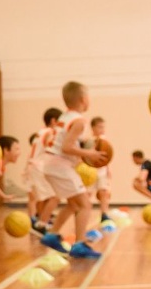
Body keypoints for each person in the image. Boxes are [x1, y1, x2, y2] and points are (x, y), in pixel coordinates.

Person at [40, 82, 109, 259]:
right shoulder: (79, 120)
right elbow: (66, 147)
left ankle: (52, 235)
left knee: (73, 204)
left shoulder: (65, 117)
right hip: (59, 164)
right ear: (83, 99)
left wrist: (84, 146)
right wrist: (90, 153)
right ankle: (79, 245)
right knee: (85, 204)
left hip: (51, 164)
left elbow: (67, 143)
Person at [27, 108, 63, 232]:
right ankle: (42, 223)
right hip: (39, 167)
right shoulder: (50, 133)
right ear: (53, 121)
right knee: (56, 196)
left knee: (44, 198)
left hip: (34, 166)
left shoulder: (40, 132)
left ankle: (41, 221)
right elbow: (53, 150)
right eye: (60, 122)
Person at [88, 116, 114, 222]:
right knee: (88, 193)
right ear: (93, 128)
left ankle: (104, 214)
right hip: (91, 170)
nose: (102, 129)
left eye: (103, 127)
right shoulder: (89, 141)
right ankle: (83, 212)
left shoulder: (105, 141)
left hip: (102, 170)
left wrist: (108, 168)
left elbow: (107, 156)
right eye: (99, 127)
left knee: (104, 192)